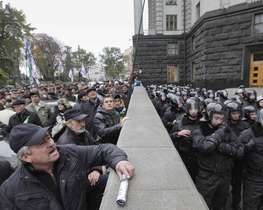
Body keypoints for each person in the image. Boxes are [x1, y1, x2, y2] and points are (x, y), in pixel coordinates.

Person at [0, 124, 134, 210]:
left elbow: (104, 150)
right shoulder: (9, 191)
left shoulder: (69, 154)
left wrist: (119, 161)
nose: (51, 143)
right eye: (41, 142)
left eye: (48, 137)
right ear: (26, 157)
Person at [192, 102, 243, 210]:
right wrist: (219, 133)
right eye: (216, 118)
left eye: (222, 118)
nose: (220, 121)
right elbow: (205, 147)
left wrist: (224, 147)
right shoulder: (199, 130)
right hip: (207, 176)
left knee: (221, 205)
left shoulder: (228, 131)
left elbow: (240, 151)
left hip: (225, 175)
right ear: (209, 116)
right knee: (203, 204)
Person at [170, 97, 201, 181]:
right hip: (184, 156)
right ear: (188, 109)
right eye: (191, 109)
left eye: (196, 108)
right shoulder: (180, 121)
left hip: (198, 158)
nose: (194, 111)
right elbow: (170, 137)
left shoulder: (202, 122)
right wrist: (178, 134)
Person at [238, 109, 263, 210]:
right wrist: (247, 147)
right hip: (253, 178)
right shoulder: (248, 134)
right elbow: (237, 153)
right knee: (250, 205)